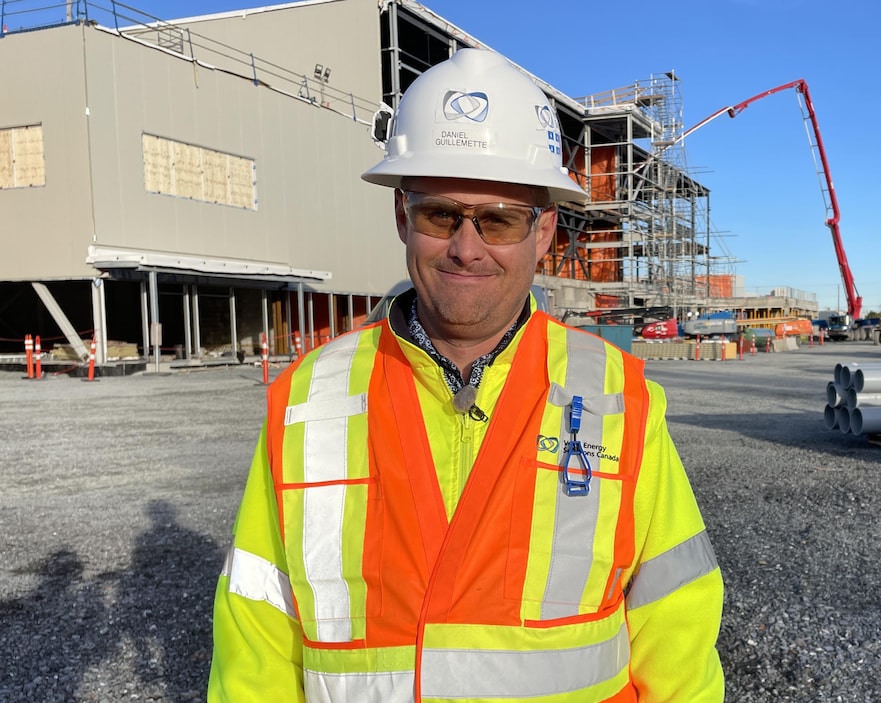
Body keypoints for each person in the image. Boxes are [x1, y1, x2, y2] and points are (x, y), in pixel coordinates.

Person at [208, 48, 725, 702]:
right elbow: (256, 641)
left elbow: (677, 636)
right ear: (402, 215)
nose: (466, 246)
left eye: (499, 219)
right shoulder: (309, 400)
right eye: (440, 214)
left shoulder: (620, 400)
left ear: (543, 233)